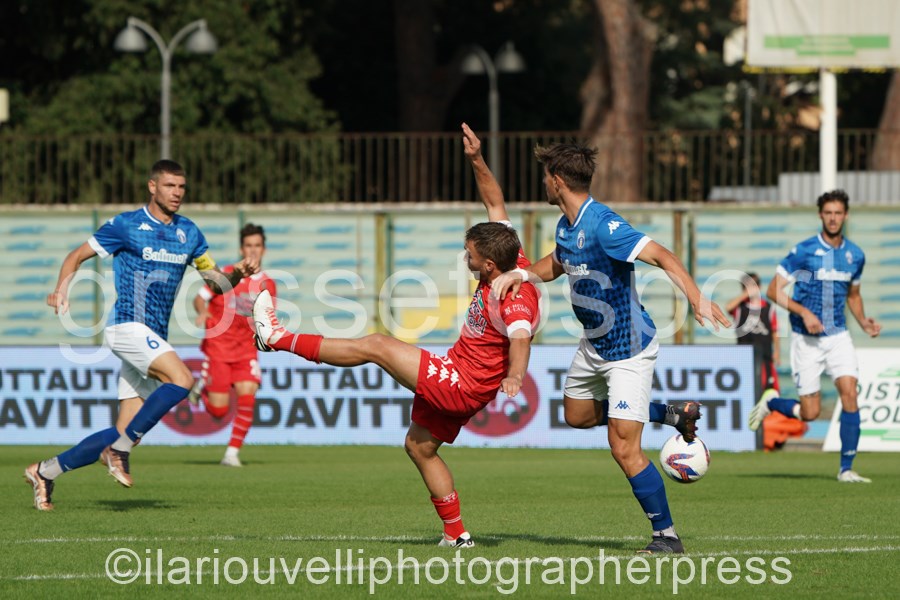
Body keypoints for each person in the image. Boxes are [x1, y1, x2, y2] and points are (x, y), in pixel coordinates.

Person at [252, 123, 540, 549]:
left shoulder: (514, 296)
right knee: (419, 447)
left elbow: (521, 338)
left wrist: (515, 376)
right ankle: (456, 535)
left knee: (377, 345)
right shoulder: (510, 253)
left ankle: (276, 337)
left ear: (490, 266)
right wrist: (477, 159)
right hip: (459, 371)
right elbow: (494, 201)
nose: (466, 258)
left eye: (470, 255)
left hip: (462, 384)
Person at [491, 143, 730, 554]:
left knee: (623, 446)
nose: (543, 183)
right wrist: (524, 275)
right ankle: (669, 414)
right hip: (594, 344)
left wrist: (696, 298)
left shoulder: (604, 224)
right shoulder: (566, 226)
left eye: (546, 176)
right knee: (576, 416)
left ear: (557, 181)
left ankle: (666, 537)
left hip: (629, 348)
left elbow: (662, 255)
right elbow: (560, 262)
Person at [25, 160, 259, 511]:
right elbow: (76, 256)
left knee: (124, 431)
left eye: (181, 187)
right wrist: (62, 288)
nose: (177, 193)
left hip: (154, 336)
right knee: (182, 379)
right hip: (126, 326)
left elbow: (215, 284)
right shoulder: (126, 225)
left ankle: (45, 472)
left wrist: (237, 274)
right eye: (169, 186)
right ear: (152, 187)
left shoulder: (189, 232)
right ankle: (118, 452)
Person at [748, 189, 881, 483]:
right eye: (828, 213)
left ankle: (846, 469)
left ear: (846, 216)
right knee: (810, 413)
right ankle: (772, 403)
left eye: (838, 213)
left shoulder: (855, 255)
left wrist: (863, 322)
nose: (833, 218)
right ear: (821, 215)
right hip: (805, 340)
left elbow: (853, 295)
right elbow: (773, 291)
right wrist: (804, 312)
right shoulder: (804, 251)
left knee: (850, 392)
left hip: (838, 336)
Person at [190, 223, 276, 467]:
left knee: (248, 397)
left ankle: (231, 454)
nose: (253, 250)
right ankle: (201, 388)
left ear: (264, 249)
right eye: (248, 245)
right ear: (241, 249)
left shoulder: (268, 284)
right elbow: (200, 298)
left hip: (246, 349)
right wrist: (203, 312)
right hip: (218, 347)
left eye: (257, 245)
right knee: (218, 412)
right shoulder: (227, 273)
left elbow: (266, 316)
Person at [725, 272, 780, 392]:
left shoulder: (768, 308)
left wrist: (777, 352)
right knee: (747, 388)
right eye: (746, 286)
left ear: (759, 286)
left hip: (765, 356)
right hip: (744, 356)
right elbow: (728, 307)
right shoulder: (740, 307)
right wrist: (745, 294)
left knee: (768, 388)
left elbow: (775, 332)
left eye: (753, 285)